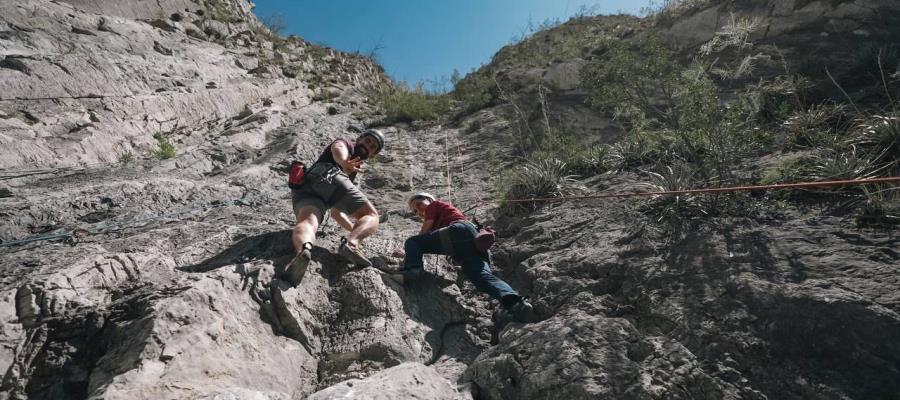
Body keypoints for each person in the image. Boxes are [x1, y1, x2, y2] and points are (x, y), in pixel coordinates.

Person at [393, 193, 533, 323]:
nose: (419, 211)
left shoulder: (434, 205)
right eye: (415, 211)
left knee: (413, 241)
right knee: (481, 277)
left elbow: (422, 236)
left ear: (429, 200)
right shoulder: (442, 214)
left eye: (418, 204)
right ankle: (516, 304)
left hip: (458, 232)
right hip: (474, 244)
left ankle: (412, 271)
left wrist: (408, 252)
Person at [284, 129, 385, 285]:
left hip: (306, 190)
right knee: (371, 215)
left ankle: (302, 252)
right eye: (368, 141)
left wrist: (355, 229)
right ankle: (351, 245)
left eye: (372, 147)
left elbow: (337, 214)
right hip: (329, 175)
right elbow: (337, 148)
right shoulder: (346, 145)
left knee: (308, 222)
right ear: (359, 139)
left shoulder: (351, 170)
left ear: (372, 155)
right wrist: (343, 161)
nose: (368, 146)